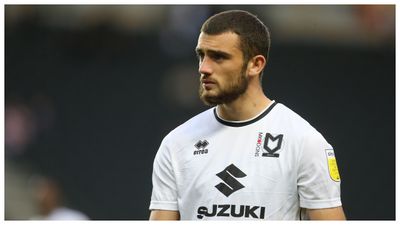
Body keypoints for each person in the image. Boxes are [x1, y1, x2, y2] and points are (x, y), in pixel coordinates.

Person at [149, 10, 345, 220]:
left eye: (218, 57)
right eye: (201, 55)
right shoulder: (176, 143)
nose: (204, 68)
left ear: (255, 64)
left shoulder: (304, 141)